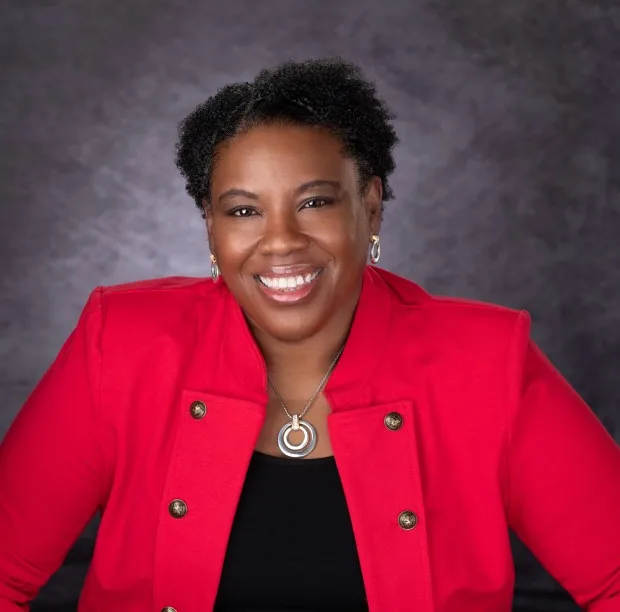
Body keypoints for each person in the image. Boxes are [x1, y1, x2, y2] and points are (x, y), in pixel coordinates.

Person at [0, 57, 618, 612]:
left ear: (370, 207)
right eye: (243, 210)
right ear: (211, 228)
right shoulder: (124, 343)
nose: (280, 242)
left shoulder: (486, 362)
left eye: (315, 202)